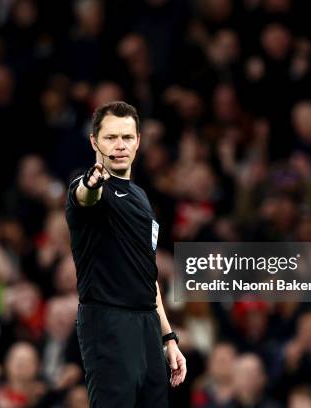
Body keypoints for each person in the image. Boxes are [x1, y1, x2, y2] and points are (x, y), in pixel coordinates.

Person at [65, 101, 186, 407]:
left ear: (138, 141)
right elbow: (85, 195)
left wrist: (168, 337)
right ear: (95, 141)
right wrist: (91, 184)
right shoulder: (89, 187)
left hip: (146, 327)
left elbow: (148, 274)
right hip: (107, 322)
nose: (120, 145)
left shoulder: (141, 197)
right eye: (110, 138)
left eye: (127, 137)